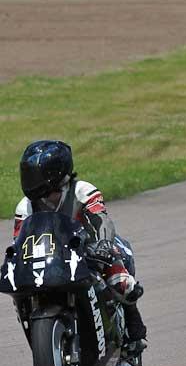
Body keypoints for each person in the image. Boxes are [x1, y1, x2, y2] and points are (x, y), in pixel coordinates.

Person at [13, 140, 147, 354]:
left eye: (35, 173)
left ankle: (134, 326)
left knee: (122, 283)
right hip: (50, 256)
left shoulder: (82, 191)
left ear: (55, 172)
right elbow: (19, 241)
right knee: (19, 287)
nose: (30, 180)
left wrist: (102, 244)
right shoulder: (25, 206)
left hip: (89, 248)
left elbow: (101, 220)